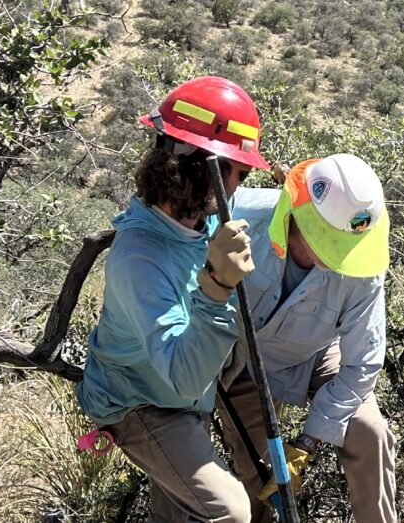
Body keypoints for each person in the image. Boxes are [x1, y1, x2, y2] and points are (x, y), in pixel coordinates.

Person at [76, 76, 271, 523]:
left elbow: (275, 206)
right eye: (237, 172)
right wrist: (217, 287)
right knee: (229, 511)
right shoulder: (140, 258)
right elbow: (183, 377)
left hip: (182, 400)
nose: (239, 186)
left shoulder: (200, 220)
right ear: (204, 169)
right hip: (141, 403)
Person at [217, 153, 397, 523]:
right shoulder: (240, 216)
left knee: (369, 432)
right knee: (259, 481)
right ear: (303, 219)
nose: (343, 253)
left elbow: (362, 364)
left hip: (315, 352)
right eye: (333, 241)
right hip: (241, 362)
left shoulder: (362, 261)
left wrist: (307, 443)